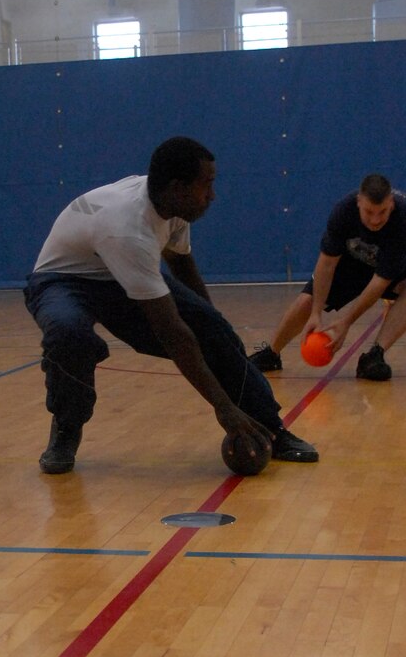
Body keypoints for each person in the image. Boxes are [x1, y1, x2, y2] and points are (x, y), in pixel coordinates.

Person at [24, 136, 320, 475]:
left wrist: (214, 326)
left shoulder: (172, 205)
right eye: (206, 184)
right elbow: (172, 333)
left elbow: (180, 261)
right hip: (62, 281)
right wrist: (223, 408)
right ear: (178, 188)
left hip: (116, 275)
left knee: (215, 332)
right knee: (68, 333)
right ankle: (66, 429)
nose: (212, 195)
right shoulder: (128, 230)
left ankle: (271, 428)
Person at [249, 173, 406, 383]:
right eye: (369, 212)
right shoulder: (343, 211)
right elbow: (326, 264)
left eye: (382, 212)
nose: (375, 220)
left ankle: (375, 355)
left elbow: (380, 281)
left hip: (393, 267)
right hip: (350, 262)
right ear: (359, 202)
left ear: (391, 203)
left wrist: (346, 322)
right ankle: (271, 353)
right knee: (307, 301)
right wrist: (316, 312)